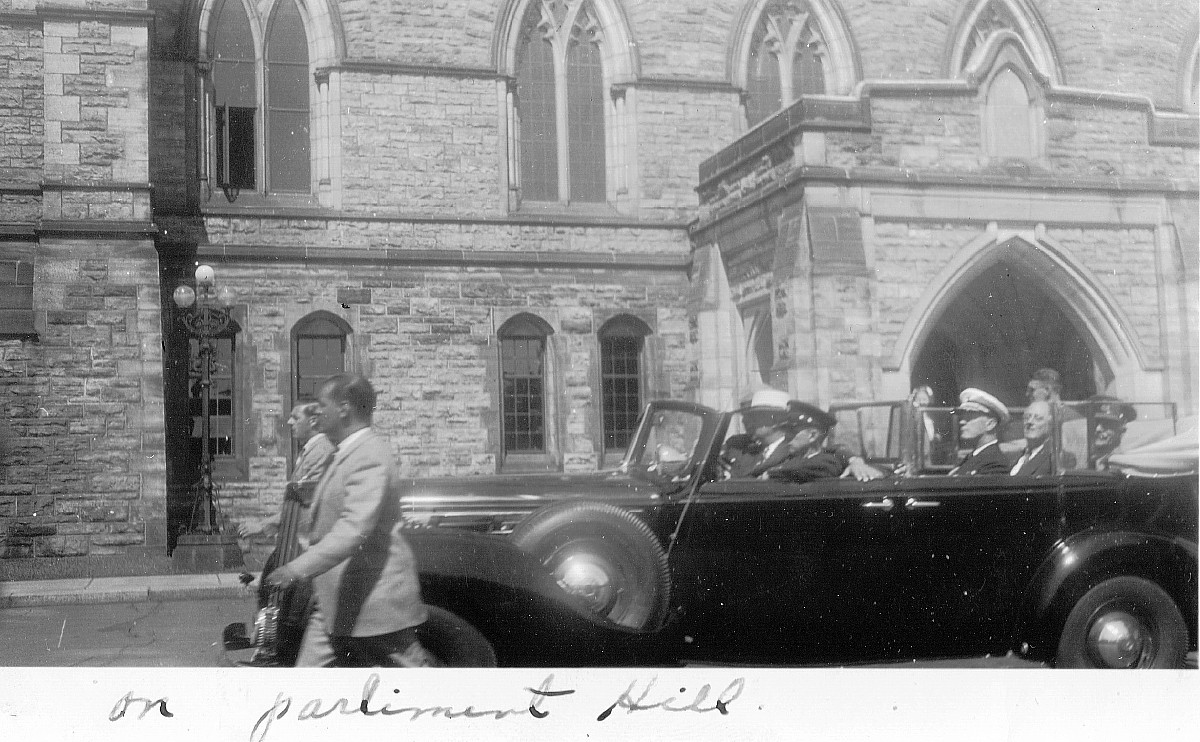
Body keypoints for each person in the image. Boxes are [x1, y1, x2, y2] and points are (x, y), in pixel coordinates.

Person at [266, 373, 436, 668]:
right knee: (305, 686)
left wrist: (295, 568)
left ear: (344, 408)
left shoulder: (369, 455)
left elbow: (353, 529)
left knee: (418, 688)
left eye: (321, 405)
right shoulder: (342, 453)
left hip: (374, 605)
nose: (315, 412)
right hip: (337, 602)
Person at [238, 400, 336, 543]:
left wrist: (262, 525)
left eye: (296, 418)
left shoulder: (322, 453)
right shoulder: (310, 451)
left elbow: (306, 504)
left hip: (310, 541)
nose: (290, 422)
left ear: (313, 421)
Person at [721, 388, 797, 479]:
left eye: (758, 415)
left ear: (777, 419)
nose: (747, 420)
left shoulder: (793, 452)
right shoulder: (751, 450)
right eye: (750, 416)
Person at [768, 402, 849, 484]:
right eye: (786, 432)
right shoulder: (787, 460)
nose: (786, 437)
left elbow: (813, 468)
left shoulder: (826, 462)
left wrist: (770, 473)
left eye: (792, 432)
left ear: (812, 436)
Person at [949, 387, 1011, 476]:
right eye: (963, 416)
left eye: (970, 416)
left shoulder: (995, 465)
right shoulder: (972, 457)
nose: (961, 421)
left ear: (990, 424)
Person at [1087, 394, 1137, 469]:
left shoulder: (1127, 464)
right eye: (1095, 424)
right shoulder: (1086, 463)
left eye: (1106, 424)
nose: (1098, 429)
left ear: (1121, 429)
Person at [1009, 400, 1055, 476]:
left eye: (1038, 418)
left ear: (1050, 425)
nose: (1029, 422)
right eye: (1027, 417)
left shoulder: (1056, 459)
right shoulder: (1017, 457)